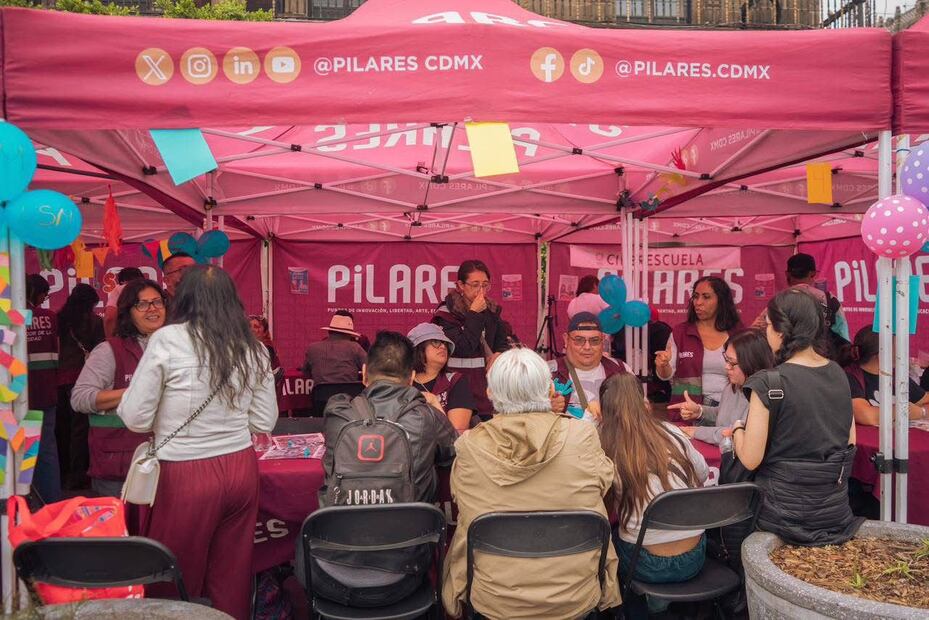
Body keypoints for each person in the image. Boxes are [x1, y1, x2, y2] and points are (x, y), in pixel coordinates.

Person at [117, 266, 278, 620]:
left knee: (173, 572)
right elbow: (264, 422)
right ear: (231, 301)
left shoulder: (167, 340)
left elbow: (135, 418)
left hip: (185, 472)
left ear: (182, 299)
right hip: (240, 466)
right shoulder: (253, 348)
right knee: (232, 573)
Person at [442, 347, 621, 620]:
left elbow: (460, 499)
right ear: (550, 389)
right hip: (574, 594)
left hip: (496, 598)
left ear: (490, 393)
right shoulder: (582, 435)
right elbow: (605, 482)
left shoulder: (470, 446)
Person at [318, 331, 457, 607]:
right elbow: (454, 451)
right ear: (412, 378)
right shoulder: (425, 417)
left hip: (330, 572)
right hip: (404, 574)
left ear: (365, 372)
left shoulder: (338, 413)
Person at [733, 289, 862, 546]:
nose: (766, 332)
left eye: (769, 325)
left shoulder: (768, 382)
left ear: (781, 331)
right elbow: (849, 441)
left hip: (780, 515)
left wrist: (738, 429)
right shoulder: (838, 373)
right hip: (832, 512)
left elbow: (750, 458)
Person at [599, 373, 708, 614]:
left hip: (644, 562)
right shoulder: (672, 432)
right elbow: (702, 474)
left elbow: (600, 504)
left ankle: (637, 606)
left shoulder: (603, 445)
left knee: (607, 542)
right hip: (695, 556)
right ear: (644, 402)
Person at [71, 280, 166, 497]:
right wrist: (134, 391)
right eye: (142, 304)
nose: (152, 309)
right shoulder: (109, 350)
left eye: (157, 302)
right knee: (123, 529)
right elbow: (79, 398)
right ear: (128, 311)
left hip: (168, 461)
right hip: (120, 467)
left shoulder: (175, 347)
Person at [656, 276, 741, 421]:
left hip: (728, 411)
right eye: (695, 297)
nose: (698, 302)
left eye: (706, 297)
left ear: (721, 301)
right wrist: (662, 365)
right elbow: (666, 375)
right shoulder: (680, 332)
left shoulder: (738, 333)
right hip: (687, 410)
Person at [433, 259, 510, 417]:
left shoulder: (492, 311)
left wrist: (500, 353)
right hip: (456, 390)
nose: (480, 291)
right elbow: (463, 348)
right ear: (460, 285)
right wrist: (473, 314)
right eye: (475, 285)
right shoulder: (446, 313)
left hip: (486, 392)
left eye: (485, 285)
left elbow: (504, 342)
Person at [672, 329, 775, 445]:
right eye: (726, 359)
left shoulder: (762, 395)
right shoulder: (732, 386)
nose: (726, 367)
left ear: (751, 363)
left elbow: (733, 433)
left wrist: (697, 431)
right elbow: (723, 414)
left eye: (732, 363)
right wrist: (700, 411)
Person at [753, 253, 849, 357]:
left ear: (787, 274)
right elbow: (843, 335)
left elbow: (755, 332)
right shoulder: (830, 300)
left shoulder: (779, 301)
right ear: (813, 273)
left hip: (787, 362)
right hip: (823, 360)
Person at [56, 283, 105, 490]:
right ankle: (78, 474)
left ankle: (61, 472)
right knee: (80, 429)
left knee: (61, 427)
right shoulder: (94, 322)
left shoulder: (59, 318)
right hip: (82, 379)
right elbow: (100, 350)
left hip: (59, 378)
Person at [549, 312, 630, 423]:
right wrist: (546, 408)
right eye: (579, 340)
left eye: (594, 341)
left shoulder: (620, 369)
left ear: (603, 340)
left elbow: (643, 410)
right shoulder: (547, 372)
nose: (587, 347)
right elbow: (525, 419)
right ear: (566, 340)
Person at [842, 326, 929, 426]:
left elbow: (925, 400)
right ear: (881, 354)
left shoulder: (897, 376)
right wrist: (902, 411)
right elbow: (866, 416)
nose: (902, 353)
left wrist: (922, 411)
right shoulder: (850, 377)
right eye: (897, 347)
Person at [25, 274, 61, 503]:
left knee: (25, 449)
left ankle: (26, 498)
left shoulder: (11, 318)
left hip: (20, 394)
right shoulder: (49, 317)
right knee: (47, 449)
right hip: (47, 390)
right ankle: (51, 499)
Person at [407, 322, 475, 434]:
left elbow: (457, 434)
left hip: (444, 450)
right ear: (418, 348)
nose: (443, 346)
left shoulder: (455, 380)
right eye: (436, 342)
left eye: (445, 343)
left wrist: (434, 402)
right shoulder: (402, 382)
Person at [302, 313, 367, 414]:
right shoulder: (355, 348)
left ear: (329, 331)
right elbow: (369, 369)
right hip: (349, 401)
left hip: (320, 400)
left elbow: (305, 372)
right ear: (349, 334)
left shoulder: (313, 348)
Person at [104, 267, 144, 337]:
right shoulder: (150, 289)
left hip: (128, 338)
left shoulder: (120, 289)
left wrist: (111, 341)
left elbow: (109, 318)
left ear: (122, 281)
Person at [249, 315, 282, 380]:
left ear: (264, 332)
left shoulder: (267, 347)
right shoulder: (250, 346)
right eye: (249, 327)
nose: (252, 330)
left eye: (256, 327)